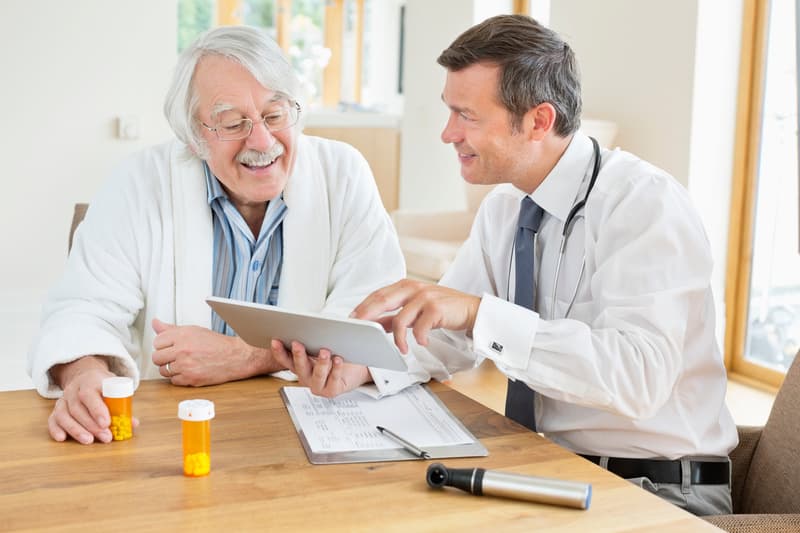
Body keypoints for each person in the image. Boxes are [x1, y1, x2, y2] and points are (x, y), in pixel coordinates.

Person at [273, 15, 738, 516]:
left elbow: (638, 378)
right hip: (553, 468)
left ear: (538, 121)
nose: (448, 133)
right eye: (449, 111)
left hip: (657, 487)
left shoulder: (644, 204)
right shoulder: (506, 208)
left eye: (467, 116)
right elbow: (443, 335)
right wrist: (362, 367)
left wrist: (480, 314)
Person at [27, 26, 404, 446]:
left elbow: (377, 324)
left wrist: (247, 357)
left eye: (274, 115)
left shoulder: (343, 173)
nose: (262, 141)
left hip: (312, 433)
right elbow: (82, 309)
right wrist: (84, 375)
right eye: (231, 123)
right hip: (172, 436)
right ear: (193, 137)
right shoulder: (138, 182)